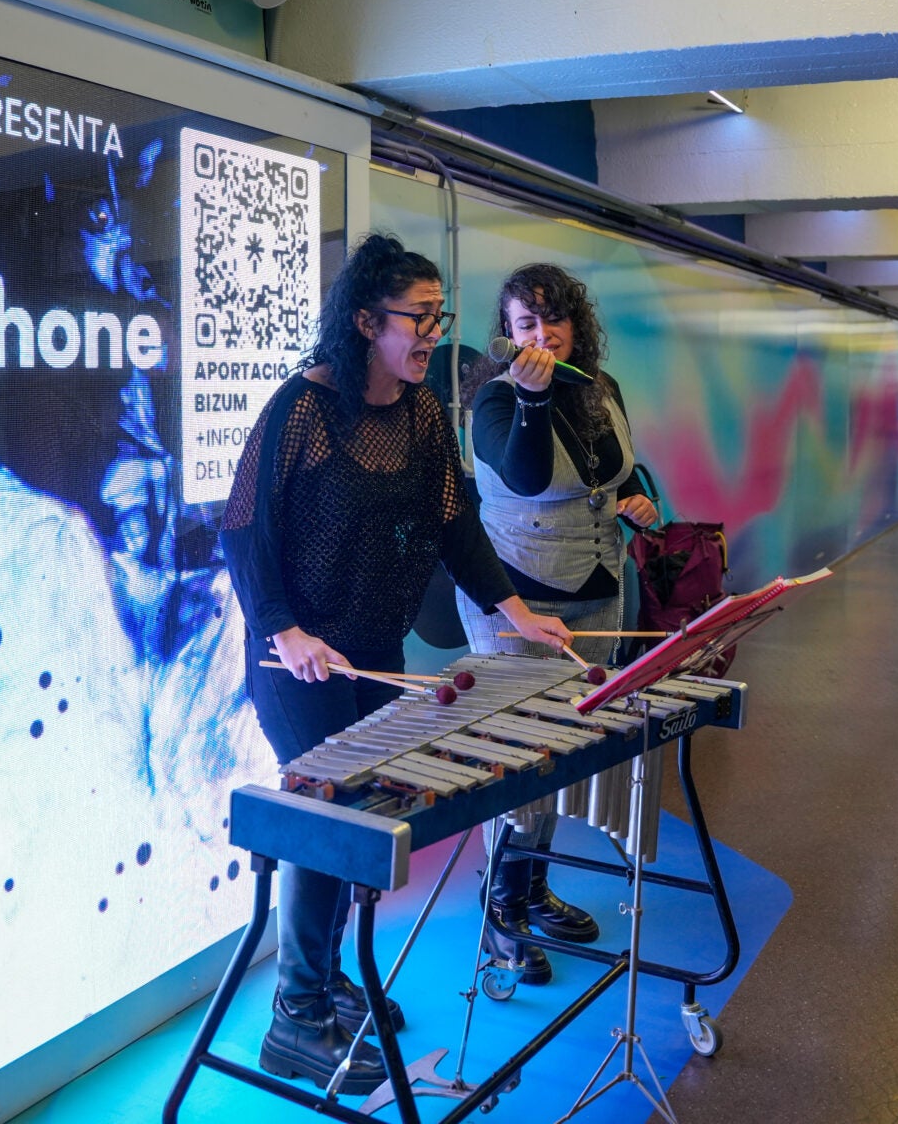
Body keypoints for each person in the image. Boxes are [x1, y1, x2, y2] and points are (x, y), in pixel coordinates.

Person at [221, 234, 571, 1092]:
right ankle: (294, 1017)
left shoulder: (418, 414)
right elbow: (241, 527)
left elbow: (455, 526)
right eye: (419, 318)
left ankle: (328, 975)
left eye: (438, 317)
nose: (431, 334)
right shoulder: (302, 408)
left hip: (374, 650)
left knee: (360, 820)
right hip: (297, 655)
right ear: (366, 320)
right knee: (327, 815)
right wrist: (283, 629)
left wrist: (514, 611)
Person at [454, 263, 663, 984]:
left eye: (553, 320)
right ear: (506, 336)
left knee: (566, 751)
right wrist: (535, 400)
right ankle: (500, 908)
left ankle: (530, 888)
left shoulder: (603, 391)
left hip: (599, 593)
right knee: (521, 760)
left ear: (577, 324)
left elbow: (623, 473)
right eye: (524, 325)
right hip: (516, 605)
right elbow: (527, 476)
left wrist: (642, 504)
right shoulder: (492, 399)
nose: (541, 336)